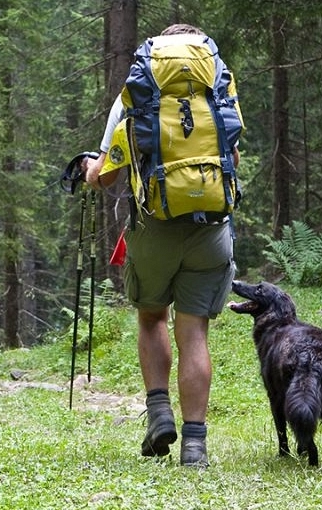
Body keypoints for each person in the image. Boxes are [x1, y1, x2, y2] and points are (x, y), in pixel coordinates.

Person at [83, 23, 240, 468]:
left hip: (152, 226)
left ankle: (158, 415)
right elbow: (233, 161)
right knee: (195, 332)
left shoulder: (137, 91)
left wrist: (89, 169)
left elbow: (108, 174)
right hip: (210, 227)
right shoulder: (217, 88)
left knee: (152, 316)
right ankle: (195, 445)